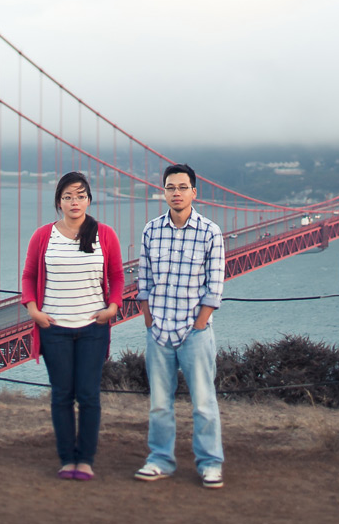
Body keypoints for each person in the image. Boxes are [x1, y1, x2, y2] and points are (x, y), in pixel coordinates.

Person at [22, 171, 125, 481]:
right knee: (62, 395)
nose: (74, 201)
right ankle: (67, 459)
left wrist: (113, 308)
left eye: (80, 196)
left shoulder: (105, 234)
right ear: (59, 202)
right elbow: (28, 276)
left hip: (93, 328)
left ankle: (86, 460)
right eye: (68, 196)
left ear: (89, 200)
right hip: (53, 328)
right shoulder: (42, 236)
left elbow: (118, 276)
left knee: (89, 394)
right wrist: (33, 311)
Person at [134, 162, 225, 490]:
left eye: (182, 187)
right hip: (158, 332)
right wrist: (149, 320)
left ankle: (210, 463)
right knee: (159, 403)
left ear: (194, 192)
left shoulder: (210, 232)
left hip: (194, 333)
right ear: (163, 192)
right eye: (170, 187)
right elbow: (143, 282)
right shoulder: (150, 230)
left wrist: (199, 325)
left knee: (203, 402)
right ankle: (160, 459)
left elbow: (214, 288)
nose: (176, 193)